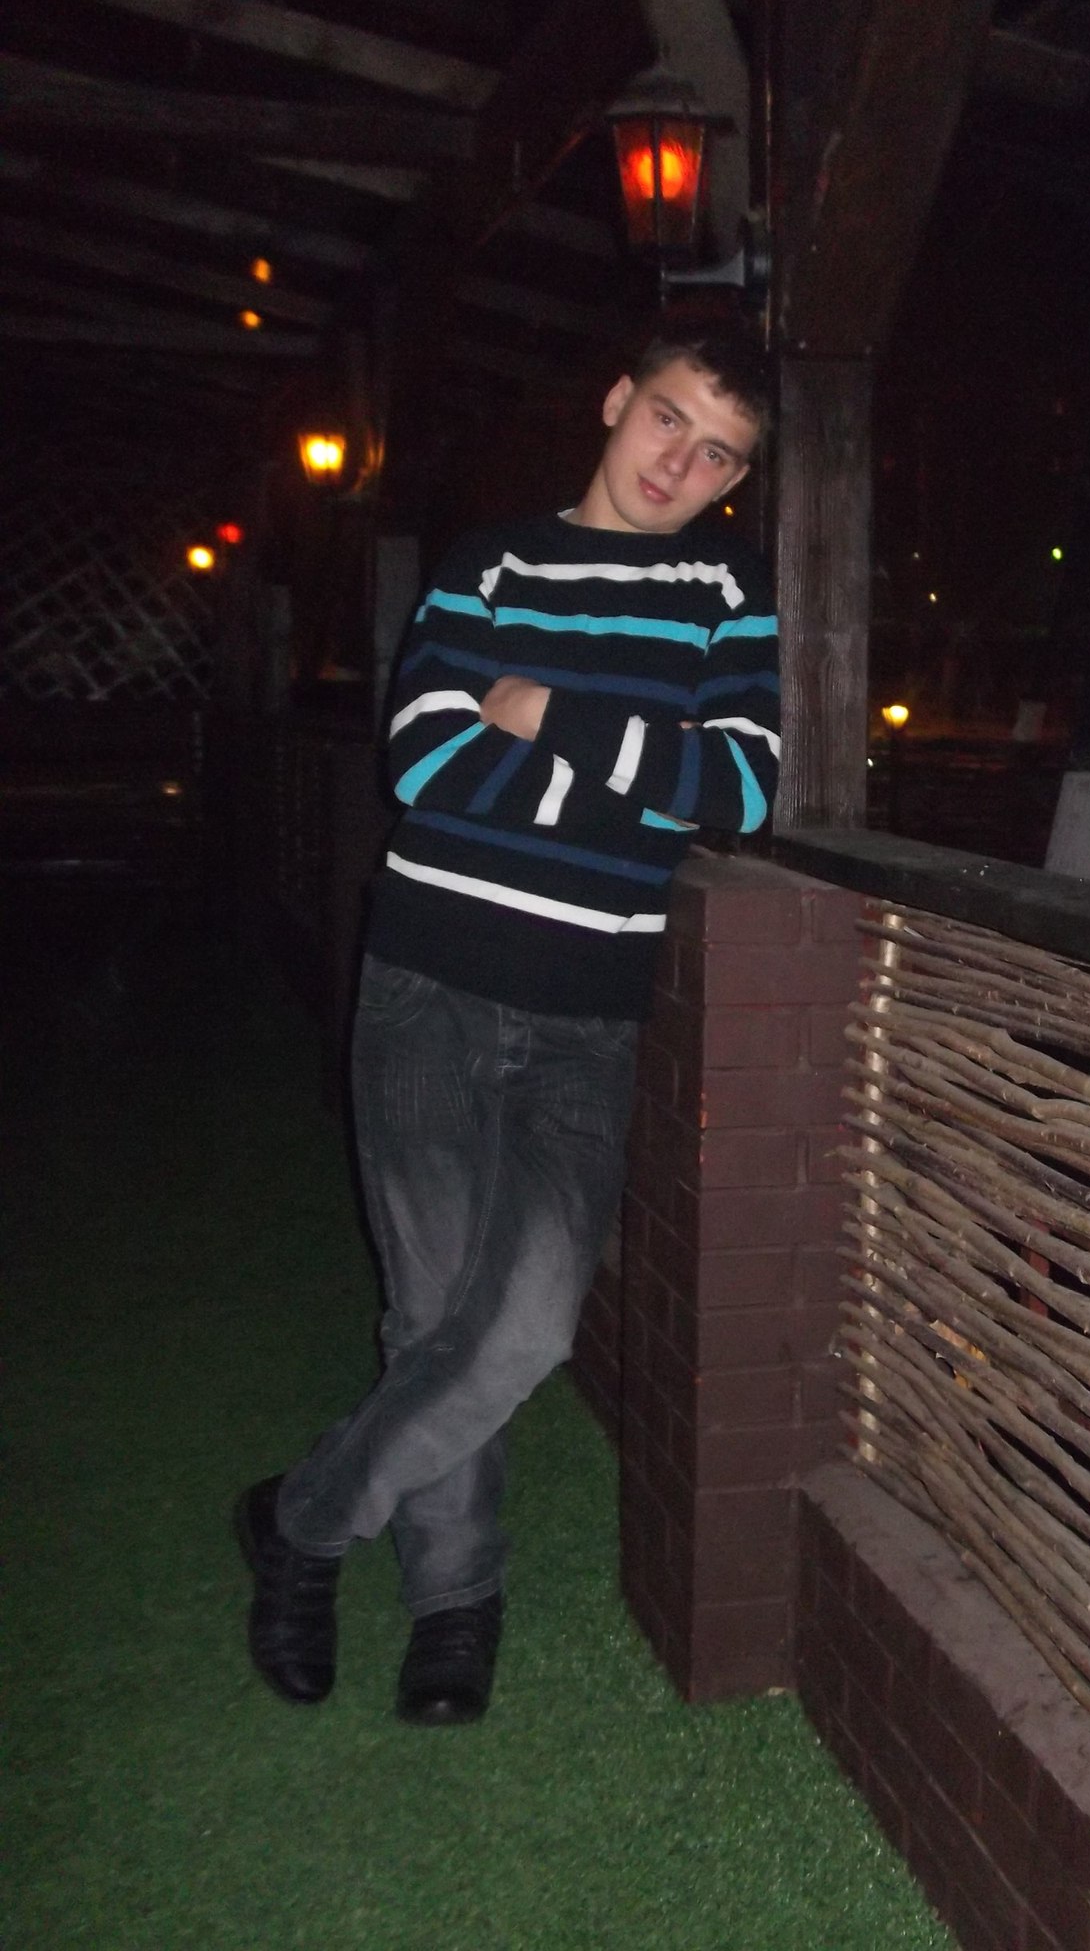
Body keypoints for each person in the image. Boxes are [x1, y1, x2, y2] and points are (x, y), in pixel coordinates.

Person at [237, 330, 777, 1725]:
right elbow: (425, 759)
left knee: (527, 1322)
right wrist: (631, 784)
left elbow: (738, 794)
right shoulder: (491, 565)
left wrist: (548, 712)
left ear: (734, 480)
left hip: (591, 1017)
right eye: (668, 419)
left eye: (718, 452)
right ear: (617, 401)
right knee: (432, 1311)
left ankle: (301, 1522)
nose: (681, 461)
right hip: (430, 984)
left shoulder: (725, 595)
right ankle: (454, 1603)